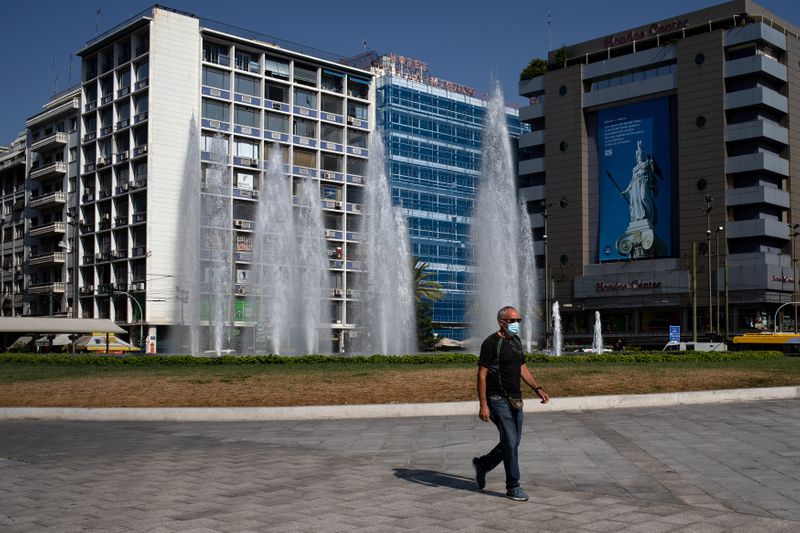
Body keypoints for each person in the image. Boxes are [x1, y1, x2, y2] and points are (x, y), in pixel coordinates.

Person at [473, 306, 550, 501]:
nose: (516, 324)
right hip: (497, 399)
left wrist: (537, 388)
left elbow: (522, 368)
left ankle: (483, 464)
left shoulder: (515, 341)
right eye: (513, 321)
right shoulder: (491, 343)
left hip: (516, 399)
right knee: (510, 440)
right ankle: (513, 486)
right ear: (501, 322)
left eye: (519, 320)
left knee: (512, 442)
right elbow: (481, 375)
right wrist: (483, 404)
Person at [621, 140, 659, 225]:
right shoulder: (634, 169)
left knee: (644, 198)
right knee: (636, 201)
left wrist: (652, 164)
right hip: (635, 185)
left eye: (641, 155)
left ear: (643, 155)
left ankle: (650, 216)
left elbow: (652, 174)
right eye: (638, 155)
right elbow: (632, 181)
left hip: (643, 182)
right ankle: (640, 217)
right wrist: (626, 191)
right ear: (636, 157)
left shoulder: (646, 164)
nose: (640, 156)